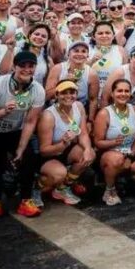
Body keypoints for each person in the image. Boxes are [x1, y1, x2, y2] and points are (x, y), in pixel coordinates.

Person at [0, 51, 46, 217]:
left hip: (15, 131)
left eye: (30, 66)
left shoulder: (38, 90)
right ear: (14, 67)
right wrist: (3, 112)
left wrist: (21, 148)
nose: (27, 69)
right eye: (22, 66)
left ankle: (26, 200)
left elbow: (31, 121)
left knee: (29, 156)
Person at [36, 80, 96, 208]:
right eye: (64, 93)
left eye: (72, 92)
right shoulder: (48, 116)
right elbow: (44, 150)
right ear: (56, 95)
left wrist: (86, 149)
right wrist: (63, 143)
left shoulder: (79, 106)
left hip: (66, 150)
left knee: (89, 154)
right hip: (49, 156)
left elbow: (83, 133)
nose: (68, 96)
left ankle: (62, 188)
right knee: (59, 174)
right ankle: (35, 188)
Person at [93, 78, 135, 206]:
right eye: (119, 91)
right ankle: (109, 189)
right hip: (110, 155)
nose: (123, 94)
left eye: (126, 91)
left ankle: (126, 182)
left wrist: (131, 155)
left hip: (130, 153)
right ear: (112, 93)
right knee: (116, 160)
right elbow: (98, 142)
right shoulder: (104, 113)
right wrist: (113, 143)